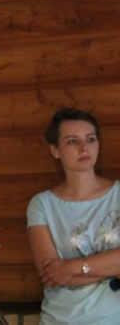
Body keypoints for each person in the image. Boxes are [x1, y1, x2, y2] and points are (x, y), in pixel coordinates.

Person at [26, 107, 120, 324]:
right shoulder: (42, 205)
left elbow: (63, 272)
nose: (83, 147)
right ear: (55, 150)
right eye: (72, 141)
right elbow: (51, 274)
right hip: (61, 319)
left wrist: (72, 268)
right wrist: (112, 266)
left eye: (90, 139)